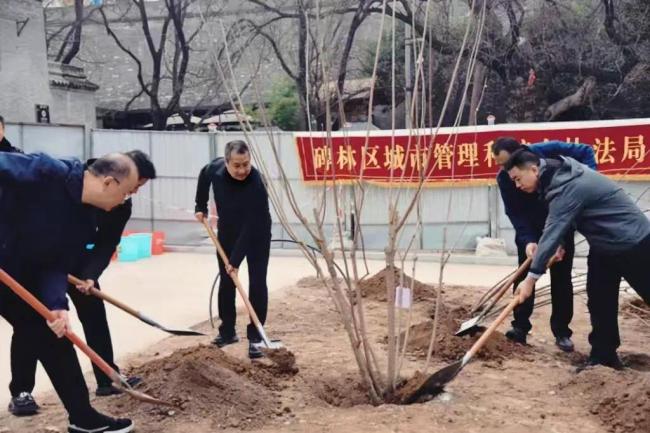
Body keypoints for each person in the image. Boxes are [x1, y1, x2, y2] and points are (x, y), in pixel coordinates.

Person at [8, 151, 157, 416]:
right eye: (128, 191)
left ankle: (86, 411)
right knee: (31, 330)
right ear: (110, 182)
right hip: (13, 262)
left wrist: (60, 300)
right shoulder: (47, 171)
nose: (127, 199)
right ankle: (23, 391)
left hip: (40, 268)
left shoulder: (83, 219)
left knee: (52, 330)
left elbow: (57, 259)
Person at [506, 150, 650, 370]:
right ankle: (604, 356)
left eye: (517, 178)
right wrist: (559, 246)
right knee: (600, 300)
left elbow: (553, 228)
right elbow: (568, 220)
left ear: (534, 169)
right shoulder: (555, 178)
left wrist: (530, 279)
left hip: (634, 242)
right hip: (604, 246)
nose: (517, 185)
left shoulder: (568, 185)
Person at [491, 137, 597, 351]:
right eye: (500, 165)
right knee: (523, 277)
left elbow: (585, 151)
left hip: (561, 224)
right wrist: (528, 240)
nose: (505, 170)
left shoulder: (546, 153)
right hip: (531, 230)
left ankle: (561, 332)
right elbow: (515, 212)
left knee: (561, 279)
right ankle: (520, 327)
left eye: (507, 162)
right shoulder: (505, 178)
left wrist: (590, 181)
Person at [194, 140, 272, 359]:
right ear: (227, 162)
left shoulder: (256, 182)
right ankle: (227, 331)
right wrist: (199, 206)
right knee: (226, 281)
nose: (242, 170)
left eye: (246, 164)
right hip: (228, 230)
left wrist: (235, 261)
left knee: (257, 281)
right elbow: (203, 175)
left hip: (257, 232)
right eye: (237, 165)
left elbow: (251, 226)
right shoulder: (215, 169)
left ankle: (256, 337)